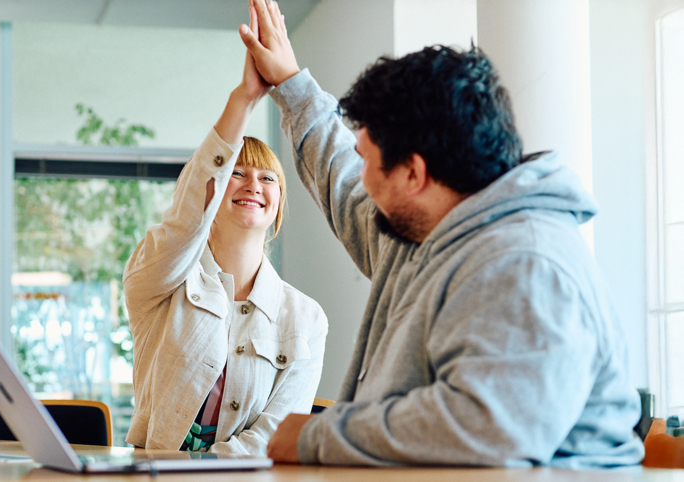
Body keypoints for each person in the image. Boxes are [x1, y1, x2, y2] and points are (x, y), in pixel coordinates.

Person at [237, 0, 644, 468]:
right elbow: (343, 183)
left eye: (368, 159)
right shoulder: (423, 232)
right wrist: (292, 87)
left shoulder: (527, 263)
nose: (362, 177)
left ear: (414, 174)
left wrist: (316, 436)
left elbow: (488, 427)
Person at [122, 7, 328, 455]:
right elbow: (184, 220)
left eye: (268, 178)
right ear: (212, 196)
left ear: (277, 207)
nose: (254, 183)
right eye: (237, 172)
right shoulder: (160, 282)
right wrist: (245, 100)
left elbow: (274, 435)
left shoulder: (306, 319)